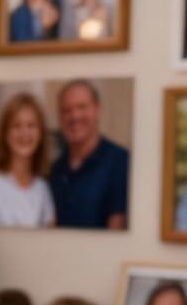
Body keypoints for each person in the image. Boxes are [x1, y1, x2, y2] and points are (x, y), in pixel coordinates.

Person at [48, 80, 129, 229]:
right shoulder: (54, 170)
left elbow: (117, 232)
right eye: (67, 110)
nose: (74, 116)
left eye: (82, 107)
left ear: (97, 110)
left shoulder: (121, 162)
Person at [0, 93, 56, 228]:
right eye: (16, 126)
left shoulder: (43, 189)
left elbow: (50, 242)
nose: (24, 133)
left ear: (40, 134)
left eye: (31, 125)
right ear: (5, 134)